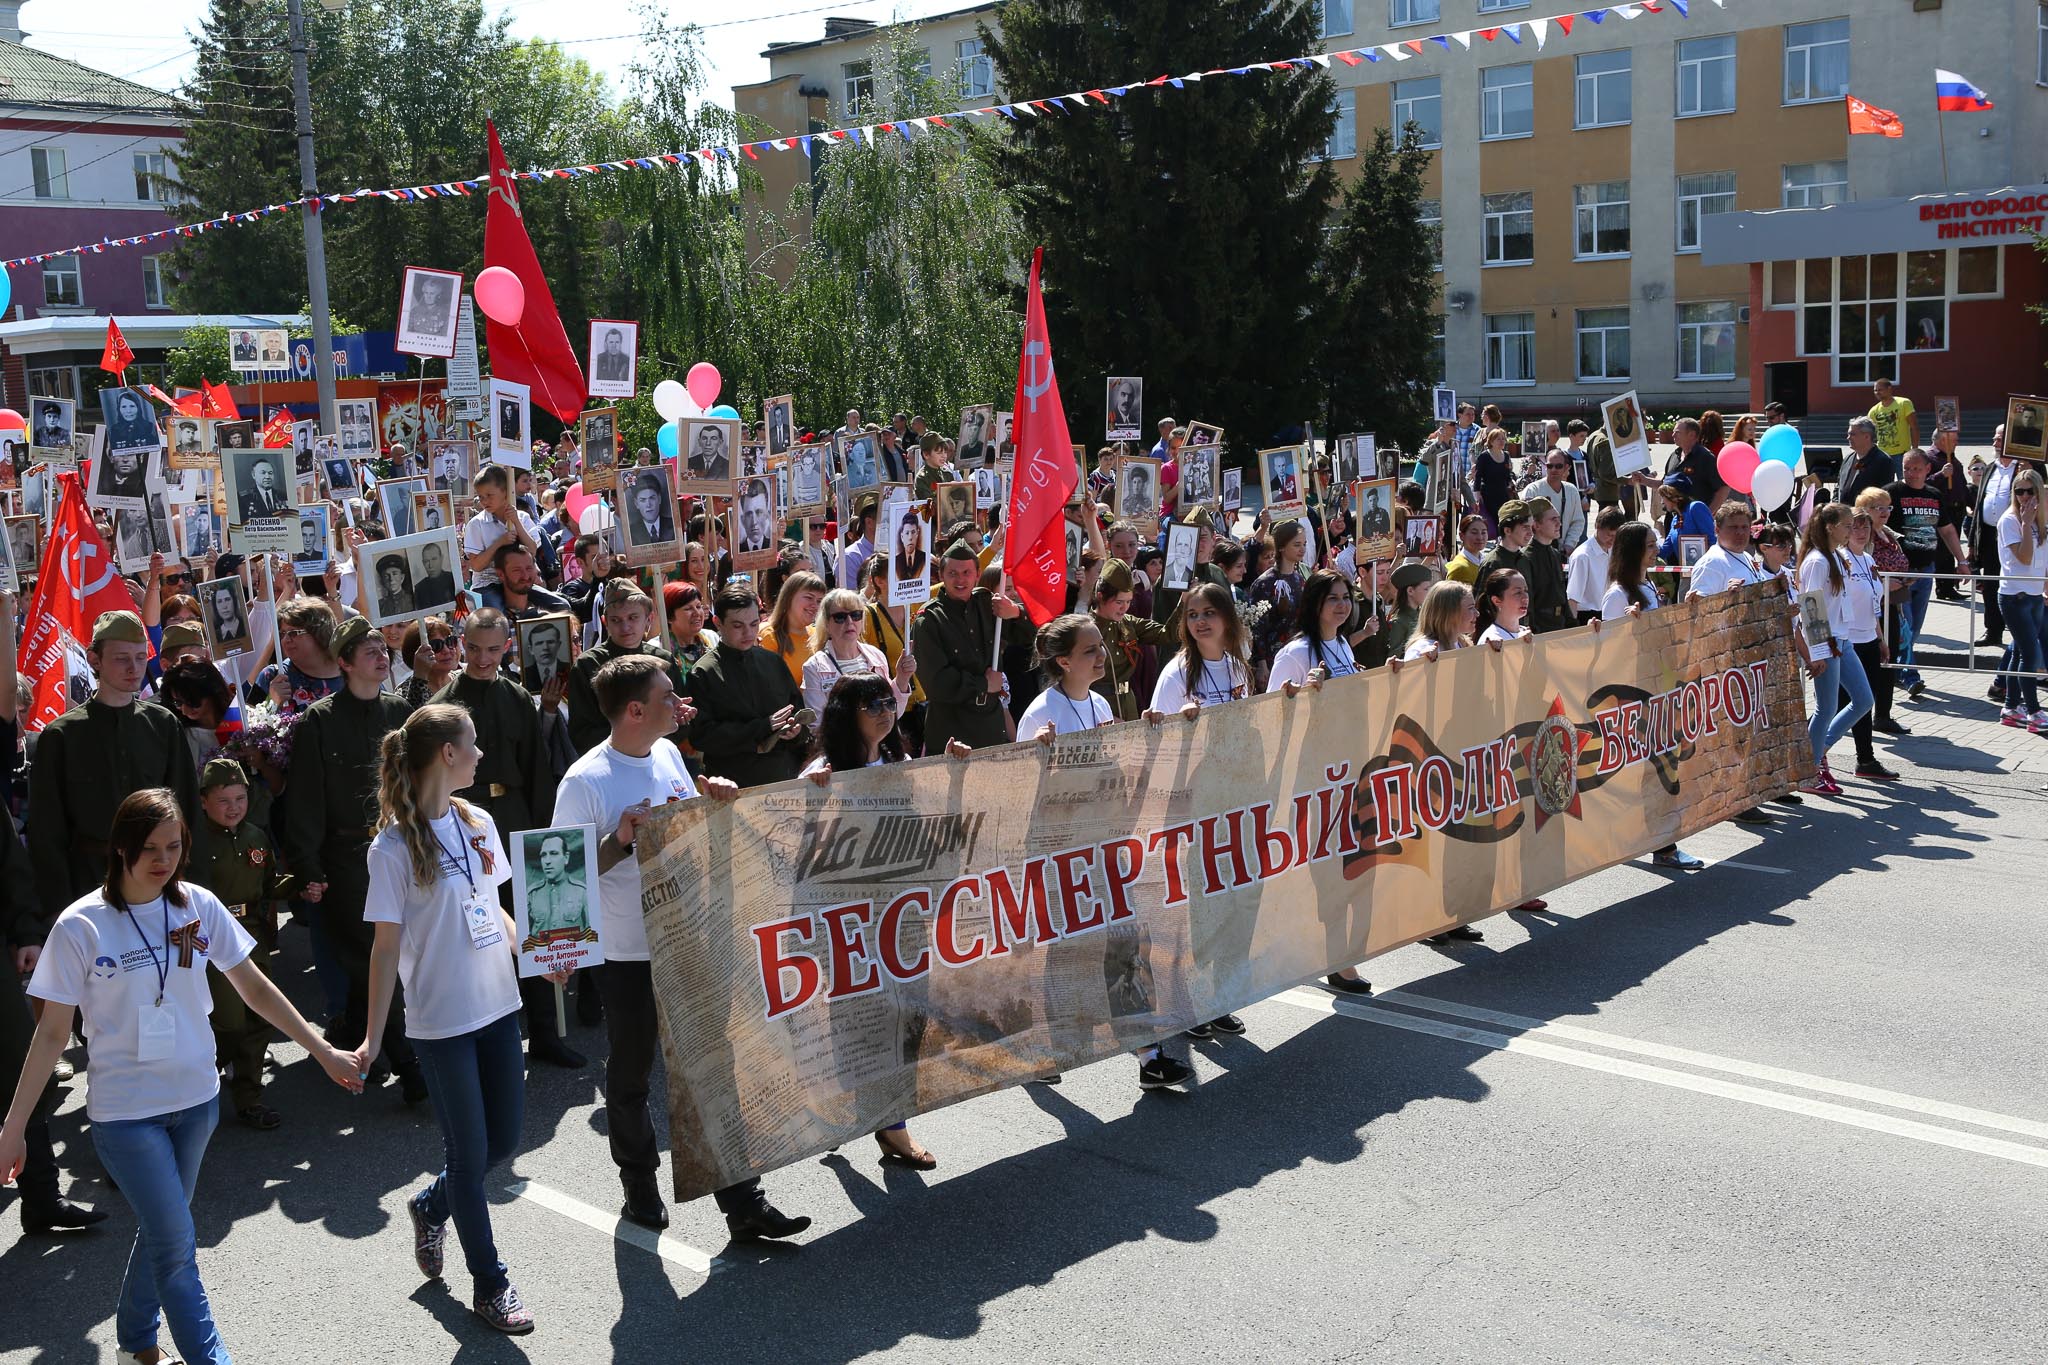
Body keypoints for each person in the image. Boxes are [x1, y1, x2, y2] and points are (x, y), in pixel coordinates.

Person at [1, 789, 359, 1365]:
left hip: (197, 1103)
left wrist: (320, 1050)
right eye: (149, 848)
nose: (163, 860)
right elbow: (48, 1036)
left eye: (174, 846)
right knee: (175, 1242)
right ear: (120, 848)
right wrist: (14, 1128)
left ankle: (136, 1344)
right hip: (124, 1116)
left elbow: (254, 988)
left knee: (163, 1235)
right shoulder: (80, 926)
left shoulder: (198, 906)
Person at [359, 707, 553, 1334]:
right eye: (474, 745)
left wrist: (540, 953)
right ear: (446, 753)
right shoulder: (389, 848)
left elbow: (493, 910)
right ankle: (490, 1284)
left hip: (499, 1005)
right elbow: (385, 950)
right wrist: (370, 1038)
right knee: (469, 1155)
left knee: (503, 1143)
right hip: (441, 1021)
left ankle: (430, 1204)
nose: (480, 755)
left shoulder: (479, 822)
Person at [284, 617, 428, 1101]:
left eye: (379, 648)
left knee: (411, 950)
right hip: (348, 859)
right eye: (366, 651)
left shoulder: (400, 713)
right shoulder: (319, 721)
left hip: (405, 846)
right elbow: (304, 801)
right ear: (343, 663)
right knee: (371, 957)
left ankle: (406, 1047)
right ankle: (408, 1065)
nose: (379, 655)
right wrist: (308, 868)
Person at [430, 609, 580, 1068]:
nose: (482, 658)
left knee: (529, 922)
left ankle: (545, 1033)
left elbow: (537, 766)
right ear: (461, 643)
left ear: (506, 648)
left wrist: (541, 831)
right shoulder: (442, 704)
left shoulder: (516, 697)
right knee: (473, 926)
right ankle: (485, 1034)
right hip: (463, 816)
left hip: (513, 814)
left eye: (493, 649)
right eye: (474, 648)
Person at [29, 612, 200, 920]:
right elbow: (47, 830)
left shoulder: (163, 725)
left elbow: (185, 809)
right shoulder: (61, 736)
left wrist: (187, 884)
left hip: (158, 880)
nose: (134, 668)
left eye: (139, 657)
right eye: (122, 658)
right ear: (95, 660)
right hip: (89, 883)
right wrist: (58, 905)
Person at [191, 758, 301, 1130]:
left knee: (259, 1019)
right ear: (203, 800)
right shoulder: (191, 840)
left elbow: (270, 884)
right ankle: (196, 1085)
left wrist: (302, 884)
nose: (233, 807)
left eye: (240, 798)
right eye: (223, 800)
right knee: (228, 1021)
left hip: (251, 934)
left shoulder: (255, 835)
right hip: (212, 941)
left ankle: (250, 1097)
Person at [1600, 523, 1708, 867]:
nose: (1655, 549)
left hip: (1656, 690)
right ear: (1633, 549)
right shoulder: (1618, 594)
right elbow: (1609, 648)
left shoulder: (1646, 584)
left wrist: (1683, 606)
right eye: (1649, 545)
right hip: (1635, 695)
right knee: (1657, 772)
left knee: (1658, 771)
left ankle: (1655, 842)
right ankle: (1663, 846)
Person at [688, 583, 811, 785]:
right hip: (734, 784)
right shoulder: (704, 673)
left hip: (783, 777)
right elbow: (703, 736)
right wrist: (763, 727)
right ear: (718, 622)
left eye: (754, 624)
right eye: (738, 626)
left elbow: (798, 711)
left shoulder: (773, 662)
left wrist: (795, 731)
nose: (748, 633)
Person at [912, 542, 1022, 751]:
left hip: (991, 723)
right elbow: (936, 683)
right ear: (941, 575)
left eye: (966, 572)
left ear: (977, 574)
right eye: (952, 573)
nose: (960, 579)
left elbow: (1027, 634)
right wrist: (982, 684)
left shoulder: (988, 603)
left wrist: (1015, 612)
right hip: (952, 729)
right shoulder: (928, 620)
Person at [1797, 505, 1876, 795]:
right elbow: (1810, 605)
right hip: (1827, 643)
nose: (1851, 530)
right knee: (1826, 708)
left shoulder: (1836, 557)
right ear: (1830, 526)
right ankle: (1809, 768)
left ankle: (1819, 747)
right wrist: (1817, 652)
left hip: (1843, 640)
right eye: (1846, 525)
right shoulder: (1817, 561)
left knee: (1864, 699)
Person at [566, 585, 687, 755]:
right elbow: (582, 732)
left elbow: (677, 722)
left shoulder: (663, 660)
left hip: (658, 757)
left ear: (648, 619)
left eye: (633, 618)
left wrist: (682, 718)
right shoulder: (587, 665)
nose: (625, 627)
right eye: (616, 620)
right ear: (604, 622)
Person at [1841, 506, 1905, 775]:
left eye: (1865, 527)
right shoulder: (1839, 560)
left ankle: (1865, 760)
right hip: (1846, 641)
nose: (1861, 531)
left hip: (1868, 638)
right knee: (1840, 705)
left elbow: (1874, 603)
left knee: (1860, 702)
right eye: (1855, 526)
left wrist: (1881, 638)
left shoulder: (1868, 560)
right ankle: (1806, 752)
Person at [802, 587, 913, 716]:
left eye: (856, 615)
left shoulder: (876, 656)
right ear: (826, 624)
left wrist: (903, 677)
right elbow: (818, 724)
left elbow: (893, 713)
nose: (850, 622)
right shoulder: (814, 667)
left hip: (881, 736)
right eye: (840, 617)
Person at [1995, 468, 2048, 730]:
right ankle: (2034, 712)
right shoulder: (2010, 520)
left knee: (2019, 652)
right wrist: (2026, 524)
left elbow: (2042, 558)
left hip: (2035, 595)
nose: (2024, 496)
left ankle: (2010, 707)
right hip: (2014, 596)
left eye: (2030, 491)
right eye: (2019, 491)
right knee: (2030, 653)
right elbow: (2024, 557)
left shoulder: (2041, 519)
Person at [1265, 569, 1375, 696]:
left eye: (1346, 597)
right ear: (1314, 603)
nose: (1342, 604)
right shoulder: (1294, 653)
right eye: (1333, 598)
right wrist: (1306, 690)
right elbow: (1273, 709)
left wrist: (1387, 673)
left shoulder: (1342, 643)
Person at [462, 465, 542, 610]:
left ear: (505, 492)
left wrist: (516, 522)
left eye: (490, 495)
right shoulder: (476, 524)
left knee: (558, 605)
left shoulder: (522, 518)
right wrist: (499, 543)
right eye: (480, 497)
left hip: (520, 582)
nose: (484, 501)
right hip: (488, 583)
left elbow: (532, 550)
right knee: (495, 616)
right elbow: (477, 565)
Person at [1973, 425, 2018, 664]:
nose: (1994, 441)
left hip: (2016, 536)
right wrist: (1973, 541)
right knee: (1990, 584)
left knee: (2013, 584)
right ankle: (1993, 630)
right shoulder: (1990, 468)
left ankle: (2016, 630)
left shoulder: (2024, 467)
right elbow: (1980, 504)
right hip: (1989, 535)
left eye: (1999, 438)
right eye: (1993, 437)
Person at [1520, 448, 1586, 550]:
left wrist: (1569, 544)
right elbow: (1525, 523)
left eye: (1558, 466)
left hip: (1563, 550)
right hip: (1537, 551)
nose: (1554, 469)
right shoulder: (1533, 490)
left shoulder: (1572, 490)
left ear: (1566, 468)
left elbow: (1578, 521)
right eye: (1550, 466)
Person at [1523, 501, 1573, 633]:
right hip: (1540, 628)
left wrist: (1571, 623)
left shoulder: (1555, 554)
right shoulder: (1526, 558)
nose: (1559, 524)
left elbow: (1561, 593)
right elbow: (1529, 602)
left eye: (1558, 519)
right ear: (1536, 525)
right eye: (1553, 519)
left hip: (1559, 625)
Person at [1838, 417, 1896, 510]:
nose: (1848, 437)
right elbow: (1838, 487)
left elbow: (1883, 494)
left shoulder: (1883, 461)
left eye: (1852, 434)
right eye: (1848, 434)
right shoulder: (1847, 459)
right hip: (1844, 516)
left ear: (1867, 436)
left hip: (1866, 517)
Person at [1668, 419, 1724, 511]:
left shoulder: (1705, 457)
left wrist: (1709, 513)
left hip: (1695, 517)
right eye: (1673, 432)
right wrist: (1644, 480)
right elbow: (1664, 483)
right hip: (1674, 517)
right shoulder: (1674, 455)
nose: (1673, 435)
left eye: (1677, 432)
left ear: (1692, 435)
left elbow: (1723, 488)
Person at [1475, 567, 1532, 647]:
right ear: (1497, 601)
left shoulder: (1525, 633)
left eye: (1526, 591)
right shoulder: (1490, 639)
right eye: (1518, 592)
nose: (1525, 598)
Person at [1867, 377, 1919, 461]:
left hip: (1902, 453)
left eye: (1880, 390)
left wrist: (1915, 449)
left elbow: (1914, 427)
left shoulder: (1904, 403)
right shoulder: (1873, 411)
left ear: (1889, 389)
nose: (1877, 393)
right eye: (1875, 390)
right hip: (1882, 454)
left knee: (1904, 475)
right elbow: (1869, 434)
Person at [235, 454, 288, 521]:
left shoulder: (283, 495)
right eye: (263, 473)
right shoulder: (244, 498)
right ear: (253, 475)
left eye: (270, 473)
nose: (267, 477)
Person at [1443, 515, 1487, 587]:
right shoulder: (1460, 568)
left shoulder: (1484, 560)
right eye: (1474, 532)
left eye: (1483, 532)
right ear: (1461, 536)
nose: (1480, 537)